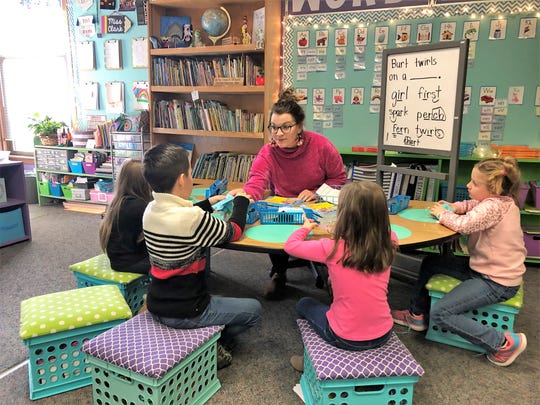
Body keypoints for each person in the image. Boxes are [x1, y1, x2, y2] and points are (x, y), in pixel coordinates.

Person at [391, 156, 527, 367]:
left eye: (474, 183)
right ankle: (417, 314)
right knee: (432, 262)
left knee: (441, 313)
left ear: (493, 188)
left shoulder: (492, 207)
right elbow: (474, 205)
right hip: (486, 270)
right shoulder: (502, 201)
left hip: (496, 282)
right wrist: (456, 206)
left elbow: (463, 226)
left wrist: (444, 214)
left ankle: (502, 343)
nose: (468, 185)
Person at [141, 143, 262, 369]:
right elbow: (233, 231)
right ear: (181, 180)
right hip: (188, 309)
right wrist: (242, 202)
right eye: (189, 171)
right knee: (254, 310)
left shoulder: (150, 210)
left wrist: (207, 204)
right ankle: (207, 345)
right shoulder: (191, 219)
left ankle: (196, 337)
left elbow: (179, 218)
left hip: (157, 303)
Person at [229, 88, 347, 299]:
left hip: (318, 205)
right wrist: (246, 194)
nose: (278, 133)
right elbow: (257, 180)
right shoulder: (268, 151)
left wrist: (315, 192)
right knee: (270, 227)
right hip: (284, 206)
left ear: (299, 127)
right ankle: (280, 273)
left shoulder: (321, 146)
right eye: (273, 127)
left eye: (285, 127)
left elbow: (338, 179)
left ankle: (332, 275)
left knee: (330, 231)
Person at [284, 181, 398, 371]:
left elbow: (291, 246)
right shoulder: (390, 240)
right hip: (383, 333)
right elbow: (366, 237)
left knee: (304, 303)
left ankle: (313, 363)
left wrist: (305, 227)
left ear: (344, 215)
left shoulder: (332, 247)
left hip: (343, 336)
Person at [99, 159, 153, 274]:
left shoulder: (118, 202)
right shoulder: (139, 207)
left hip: (118, 259)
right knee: (172, 263)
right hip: (131, 262)